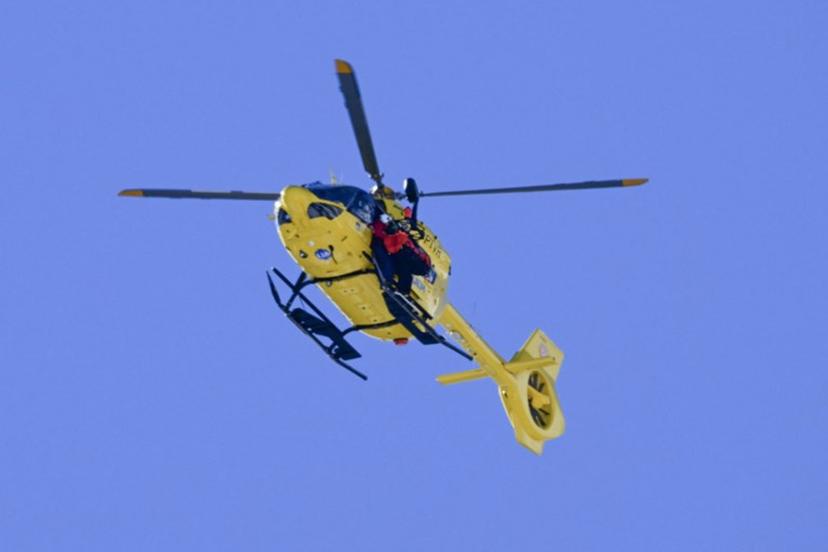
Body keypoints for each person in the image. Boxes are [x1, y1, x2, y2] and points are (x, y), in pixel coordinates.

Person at [371, 207, 431, 295]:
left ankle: (402, 291)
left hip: (419, 262)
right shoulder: (387, 235)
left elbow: (411, 220)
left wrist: (413, 205)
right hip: (403, 255)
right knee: (401, 264)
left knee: (404, 266)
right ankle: (398, 288)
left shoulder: (402, 232)